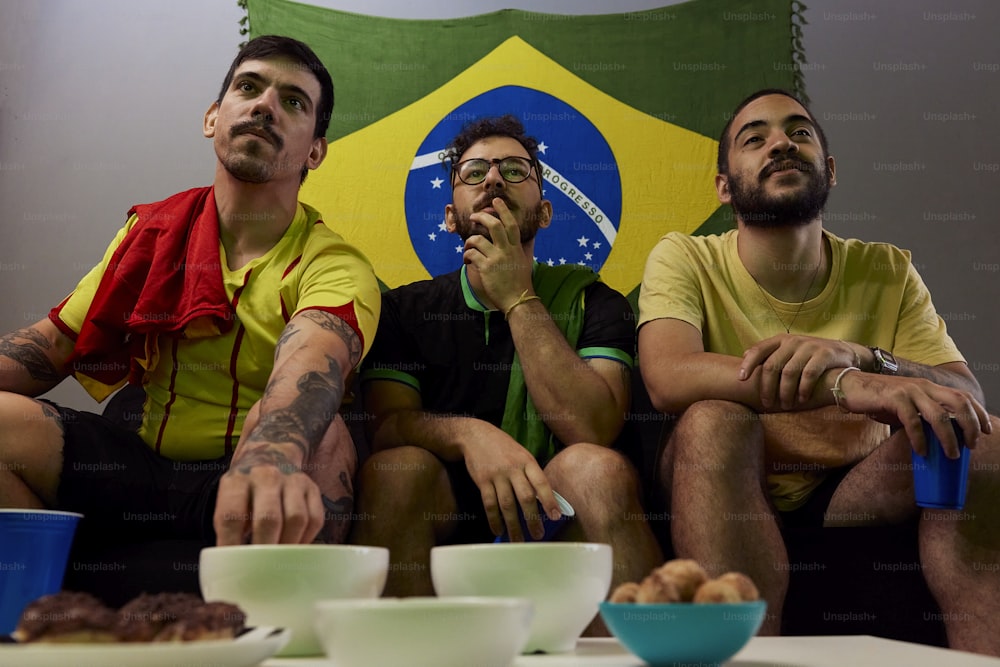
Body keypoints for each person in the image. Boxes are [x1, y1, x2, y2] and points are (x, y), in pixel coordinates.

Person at [637, 88, 999, 655]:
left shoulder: (886, 267)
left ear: (829, 170)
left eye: (798, 132)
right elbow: (667, 374)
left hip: (853, 488)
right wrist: (843, 385)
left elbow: (966, 393)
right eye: (754, 139)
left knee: (980, 438)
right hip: (728, 472)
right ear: (724, 186)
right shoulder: (685, 256)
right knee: (713, 419)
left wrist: (863, 357)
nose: (780, 143)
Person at [0, 35, 381, 548]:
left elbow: (308, 372)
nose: (265, 105)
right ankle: (37, 609)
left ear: (315, 151)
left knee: (323, 435)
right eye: (249, 87)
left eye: (293, 101)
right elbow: (47, 348)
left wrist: (267, 457)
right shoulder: (151, 232)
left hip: (249, 478)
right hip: (135, 465)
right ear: (213, 119)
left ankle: (271, 618)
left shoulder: (335, 265)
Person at [349, 115, 662, 606]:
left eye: (516, 170)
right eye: (473, 173)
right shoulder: (406, 310)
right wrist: (470, 434)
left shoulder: (593, 302)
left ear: (546, 212)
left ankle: (643, 652)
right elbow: (385, 427)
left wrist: (518, 297)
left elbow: (593, 426)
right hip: (449, 494)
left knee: (595, 467)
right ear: (450, 217)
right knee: (396, 470)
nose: (494, 179)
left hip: (559, 495)